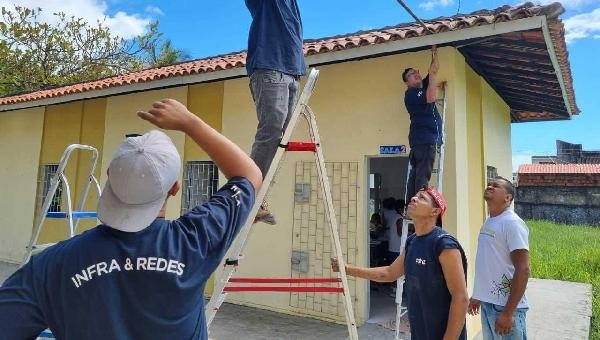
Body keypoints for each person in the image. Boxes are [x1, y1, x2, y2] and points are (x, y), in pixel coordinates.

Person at [0, 99, 262, 339]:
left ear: (109, 174)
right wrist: (189, 123)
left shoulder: (49, 268)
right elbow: (249, 176)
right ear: (174, 188)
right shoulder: (195, 241)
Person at [333, 188, 468, 340]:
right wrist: (347, 269)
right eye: (415, 196)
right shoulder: (412, 241)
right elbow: (389, 273)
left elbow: (460, 297)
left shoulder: (443, 244)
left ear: (435, 211)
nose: (414, 199)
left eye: (422, 198)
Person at [245, 0, 306, 224]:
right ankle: (249, 194)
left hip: (292, 71)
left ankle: (259, 198)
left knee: (282, 139)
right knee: (271, 130)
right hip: (270, 67)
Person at [468, 177, 530, 340]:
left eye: (496, 186)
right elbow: (487, 262)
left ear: (508, 198)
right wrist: (478, 294)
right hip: (489, 304)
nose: (489, 186)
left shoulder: (512, 223)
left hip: (506, 307)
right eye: (489, 184)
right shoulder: (490, 221)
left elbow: (523, 269)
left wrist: (508, 313)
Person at [402, 45, 443, 201]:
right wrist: (432, 77)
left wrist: (434, 52)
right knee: (422, 175)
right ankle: (419, 203)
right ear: (407, 82)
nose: (416, 74)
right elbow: (431, 97)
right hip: (424, 138)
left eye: (416, 72)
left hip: (421, 139)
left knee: (415, 175)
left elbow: (434, 68)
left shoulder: (423, 86)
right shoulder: (411, 94)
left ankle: (410, 205)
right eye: (412, 74)